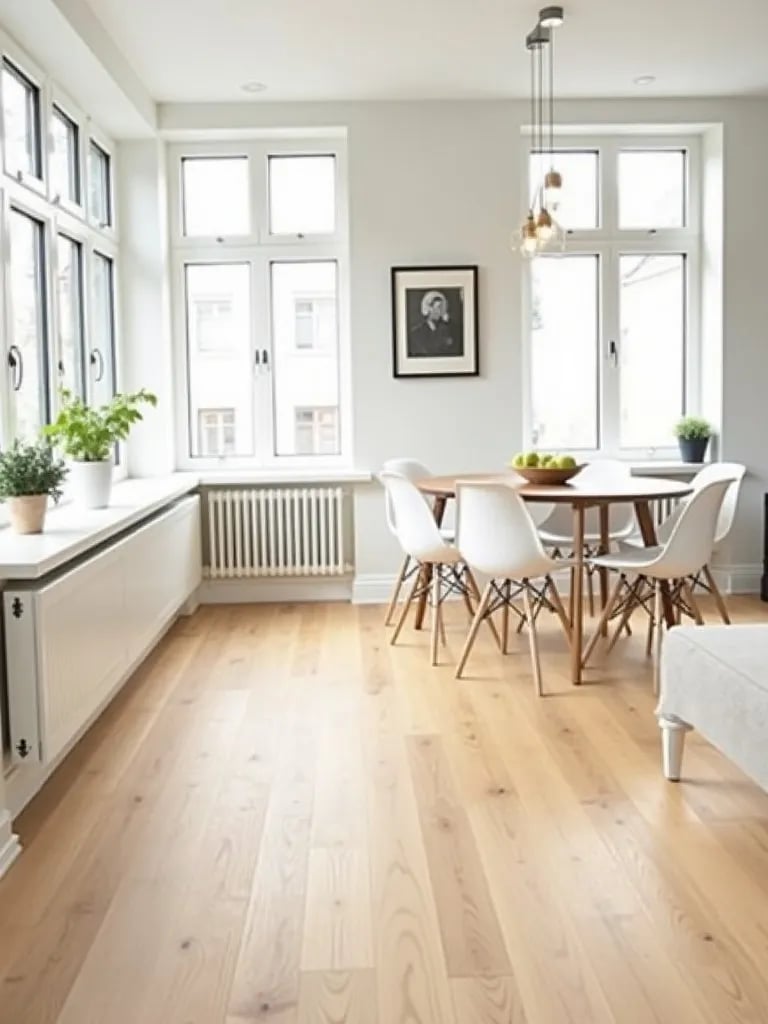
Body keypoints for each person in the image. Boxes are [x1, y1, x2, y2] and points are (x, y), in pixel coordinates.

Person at [407, 290, 463, 358]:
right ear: (428, 309)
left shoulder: (450, 330)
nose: (442, 311)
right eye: (438, 307)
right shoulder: (416, 334)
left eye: (443, 307)